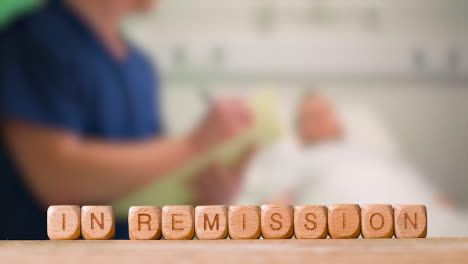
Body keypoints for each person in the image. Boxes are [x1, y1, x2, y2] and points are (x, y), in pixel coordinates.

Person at [0, 0, 253, 239]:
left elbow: (150, 184)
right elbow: (56, 177)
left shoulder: (139, 67)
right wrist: (193, 146)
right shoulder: (35, 39)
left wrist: (202, 202)